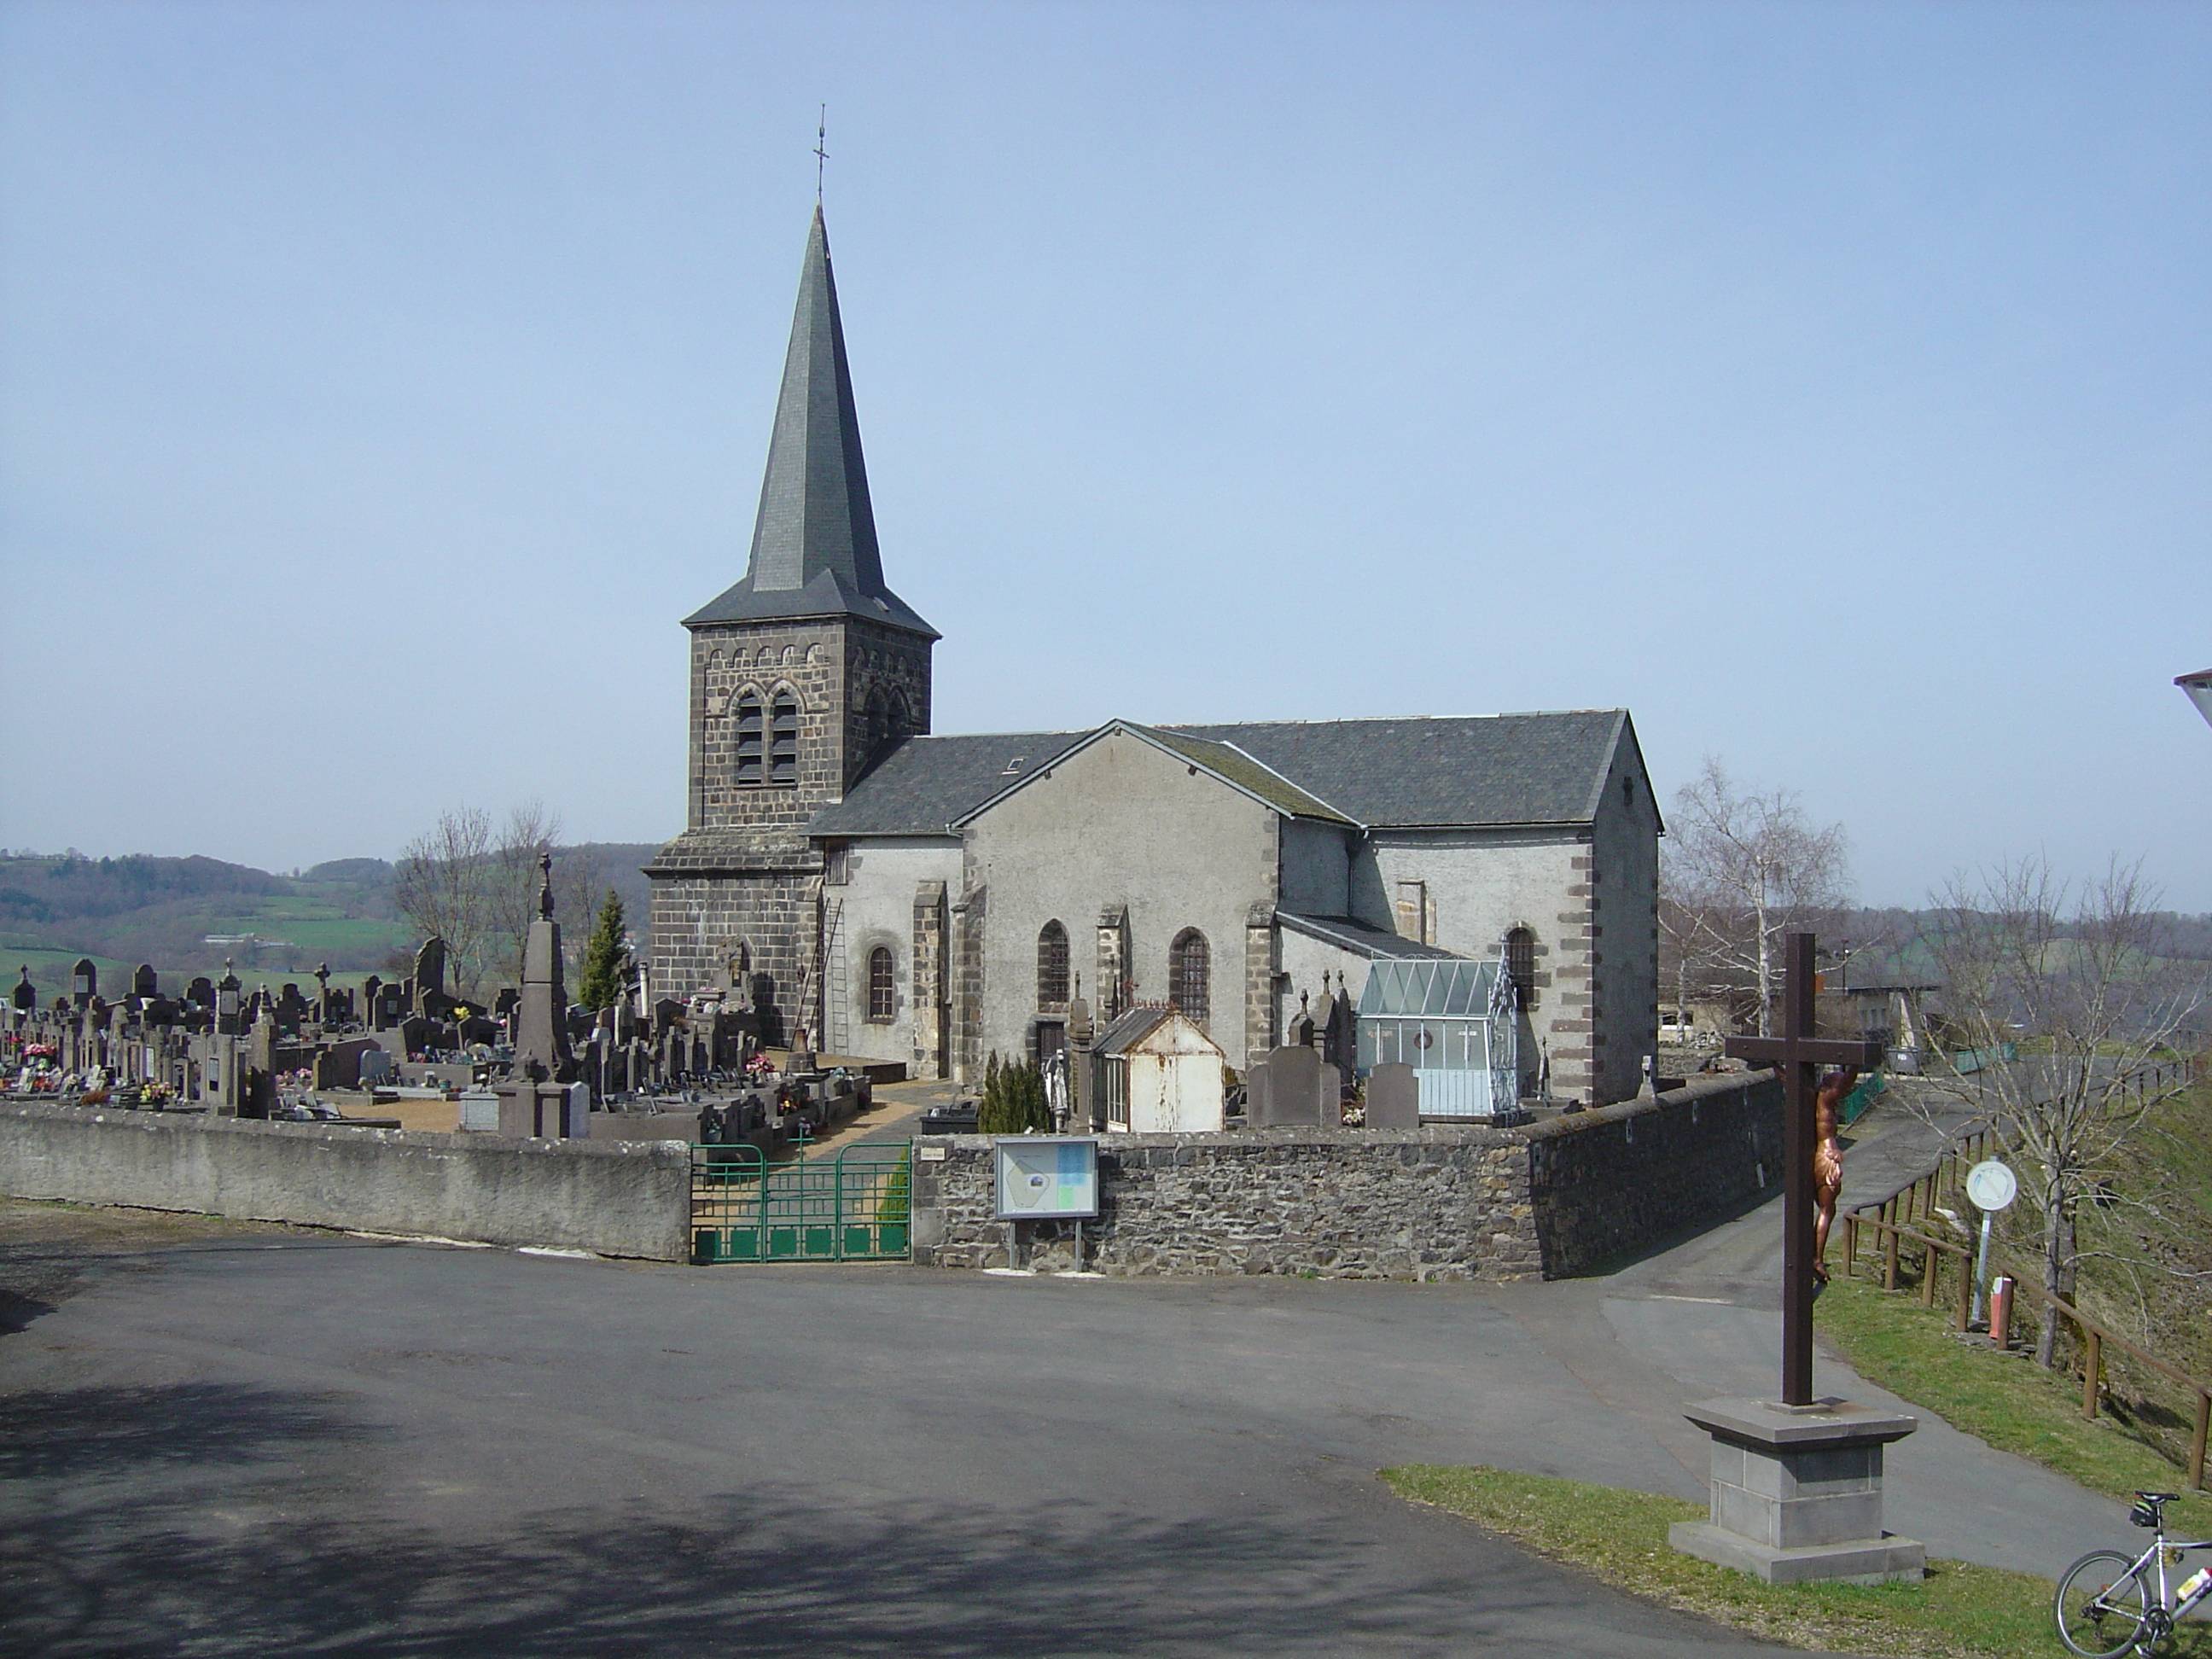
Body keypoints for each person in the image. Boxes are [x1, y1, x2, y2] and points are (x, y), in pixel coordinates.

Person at [1813, 1066, 1858, 1290]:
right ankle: (1817, 1259)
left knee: (1826, 1209)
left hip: (1820, 1155)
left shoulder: (1811, 1098)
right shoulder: (1825, 1101)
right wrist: (1856, 1064)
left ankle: (1815, 1255)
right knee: (1827, 1210)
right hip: (1827, 1158)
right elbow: (1848, 1082)